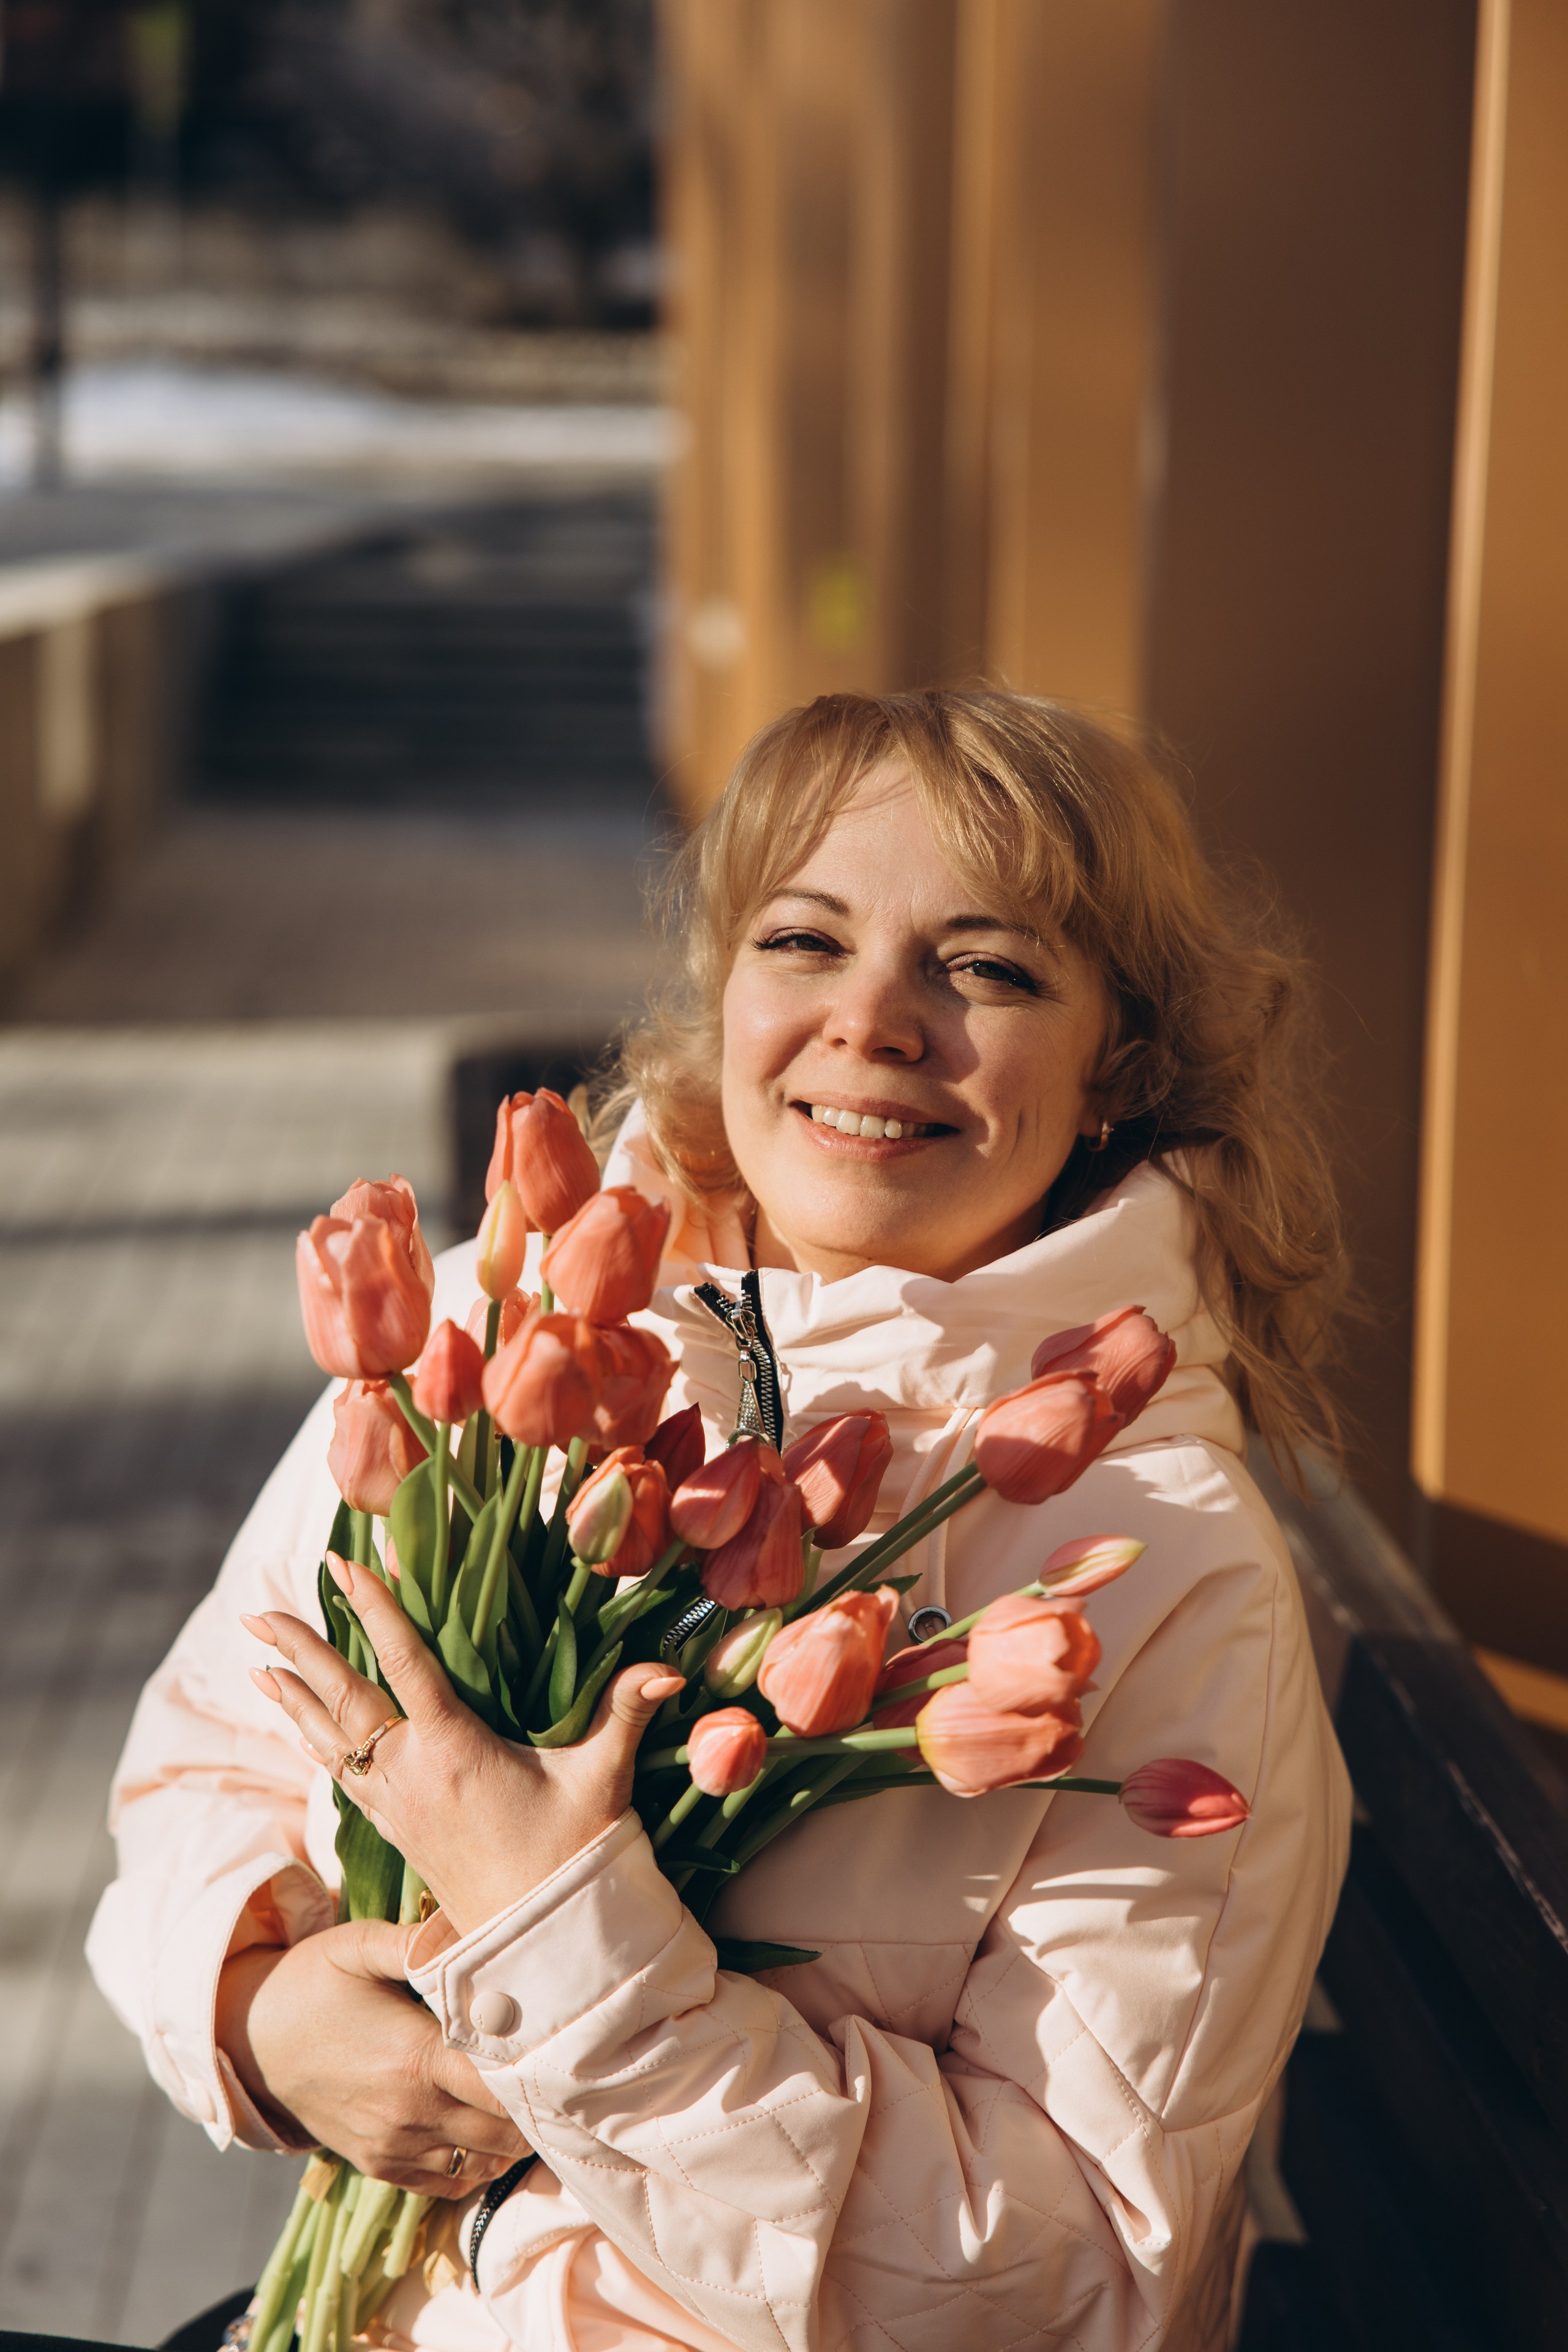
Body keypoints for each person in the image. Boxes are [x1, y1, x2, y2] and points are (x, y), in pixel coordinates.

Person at [89, 690, 1352, 2352]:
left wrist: (571, 1939)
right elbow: (205, 1768)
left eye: (987, 969)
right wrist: (260, 2010)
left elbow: (1062, 2282)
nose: (876, 1022)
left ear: (1118, 1064)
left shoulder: (1177, 1576)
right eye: (806, 941)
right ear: (727, 988)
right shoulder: (516, 1328)